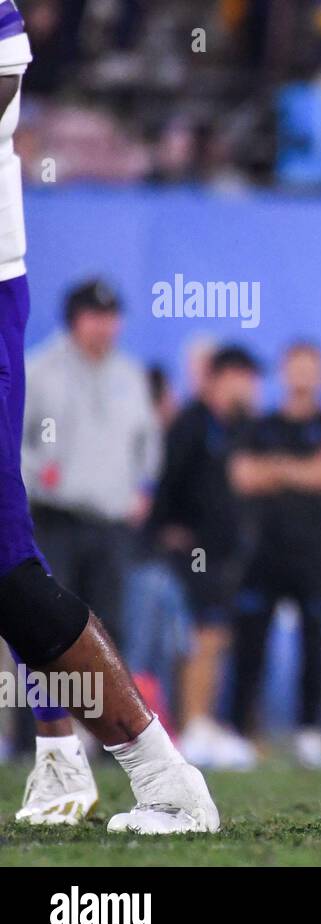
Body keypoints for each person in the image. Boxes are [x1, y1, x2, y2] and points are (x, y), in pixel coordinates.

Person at [0, 7, 218, 832]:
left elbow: (4, 72)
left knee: (8, 563)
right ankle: (60, 756)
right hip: (64, 506)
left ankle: (162, 779)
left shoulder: (127, 375)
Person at [228, 342, 321, 765]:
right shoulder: (258, 426)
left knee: (316, 642)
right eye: (294, 368)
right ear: (283, 373)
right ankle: (241, 731)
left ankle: (310, 730)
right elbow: (244, 477)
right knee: (250, 642)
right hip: (262, 551)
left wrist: (277, 469)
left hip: (314, 552)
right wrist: (301, 470)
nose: (301, 377)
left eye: (309, 369)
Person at [22, 278, 158, 636]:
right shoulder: (39, 371)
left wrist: (141, 489)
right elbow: (12, 441)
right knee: (50, 624)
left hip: (112, 527)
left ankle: (98, 696)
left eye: (111, 317)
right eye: (95, 316)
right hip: (56, 521)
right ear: (74, 319)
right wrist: (37, 474)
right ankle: (42, 695)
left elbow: (147, 443)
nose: (105, 326)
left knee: (109, 629)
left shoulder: (130, 376)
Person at [147, 344, 261, 769]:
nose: (249, 389)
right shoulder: (191, 425)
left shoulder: (232, 427)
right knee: (200, 635)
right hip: (192, 553)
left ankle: (203, 721)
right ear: (218, 379)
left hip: (221, 555)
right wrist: (165, 528)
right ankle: (190, 724)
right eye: (242, 379)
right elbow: (165, 482)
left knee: (215, 637)